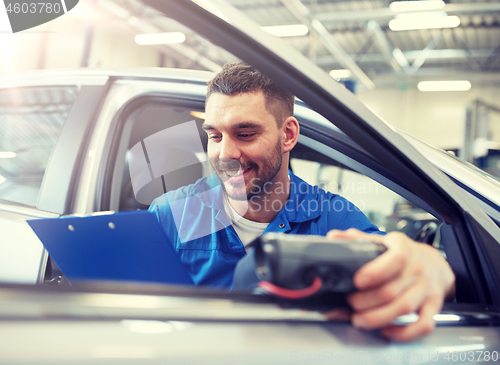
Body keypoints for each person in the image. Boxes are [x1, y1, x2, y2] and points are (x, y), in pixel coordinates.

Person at [149, 61, 455, 342]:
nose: (224, 154)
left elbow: (397, 264)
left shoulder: (330, 218)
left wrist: (431, 266)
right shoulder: (169, 215)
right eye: (215, 136)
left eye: (244, 134)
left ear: (288, 135)